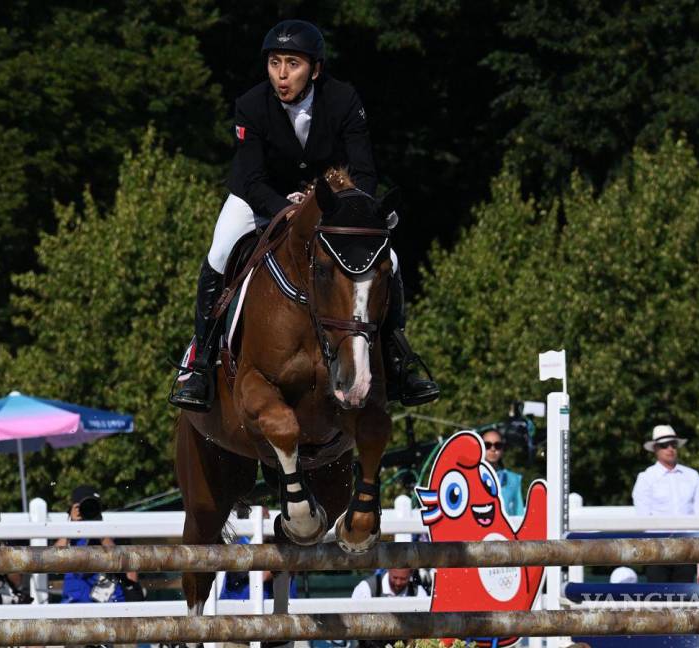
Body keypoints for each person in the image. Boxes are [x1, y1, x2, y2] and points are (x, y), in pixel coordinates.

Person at [168, 19, 439, 412]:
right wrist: (287, 209)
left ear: (316, 68)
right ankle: (202, 365)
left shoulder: (344, 101)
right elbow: (252, 177)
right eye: (274, 62)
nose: (281, 74)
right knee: (220, 251)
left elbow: (363, 170)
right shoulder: (250, 105)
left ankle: (397, 360)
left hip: (330, 205)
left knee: (391, 261)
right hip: (259, 199)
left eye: (292, 63)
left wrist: (347, 207)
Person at [632, 424, 699, 583]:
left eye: (673, 444)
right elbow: (643, 518)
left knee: (684, 600)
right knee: (658, 601)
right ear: (656, 449)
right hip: (657, 548)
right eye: (665, 445)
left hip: (686, 547)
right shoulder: (646, 478)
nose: (670, 448)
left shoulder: (692, 476)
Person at [54, 486, 145, 602]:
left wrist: (99, 528)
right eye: (83, 507)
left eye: (93, 506)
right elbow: (51, 560)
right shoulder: (69, 537)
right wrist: (71, 527)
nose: (88, 510)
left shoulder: (113, 534)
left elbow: (124, 565)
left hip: (110, 605)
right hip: (74, 605)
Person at [482, 428, 524, 517]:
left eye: (497, 445)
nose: (493, 449)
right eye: (487, 445)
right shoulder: (470, 477)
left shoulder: (514, 479)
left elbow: (519, 513)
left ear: (502, 449)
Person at [351, 567, 429, 599]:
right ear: (388, 569)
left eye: (403, 579)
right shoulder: (366, 587)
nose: (398, 583)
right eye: (395, 578)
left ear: (411, 574)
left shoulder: (418, 591)